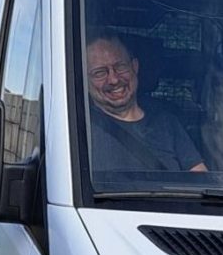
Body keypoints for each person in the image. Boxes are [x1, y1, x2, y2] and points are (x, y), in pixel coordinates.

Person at [85, 32, 207, 172]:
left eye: (120, 67)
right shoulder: (77, 130)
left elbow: (199, 175)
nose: (114, 80)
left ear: (135, 67)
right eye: (100, 72)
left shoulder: (167, 123)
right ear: (85, 79)